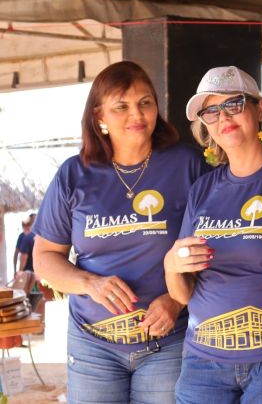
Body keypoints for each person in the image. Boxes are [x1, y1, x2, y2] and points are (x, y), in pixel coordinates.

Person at [32, 61, 209, 404]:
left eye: (145, 102)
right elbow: (45, 257)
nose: (137, 115)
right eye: (121, 106)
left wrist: (174, 300)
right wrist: (89, 284)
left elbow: (215, 246)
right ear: (99, 116)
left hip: (167, 340)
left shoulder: (187, 165)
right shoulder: (74, 174)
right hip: (92, 344)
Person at [164, 66, 262, 404]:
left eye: (234, 104)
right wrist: (170, 266)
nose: (223, 117)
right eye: (211, 111)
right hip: (203, 360)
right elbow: (183, 294)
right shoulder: (202, 189)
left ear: (259, 109)